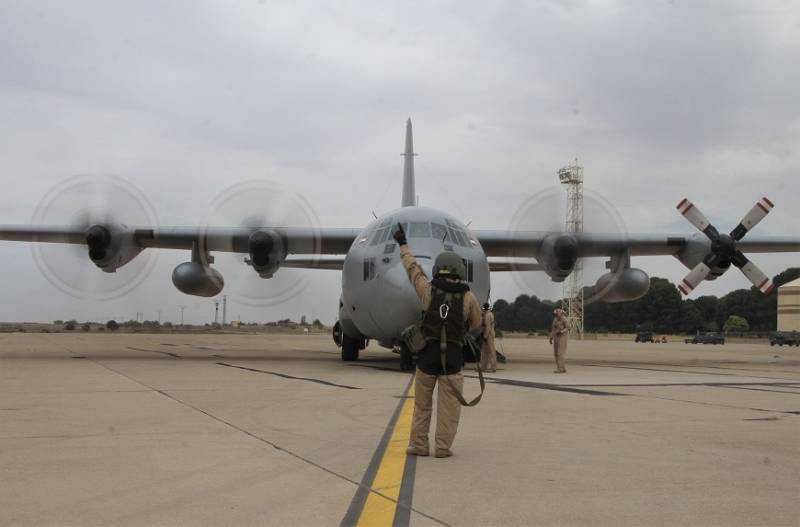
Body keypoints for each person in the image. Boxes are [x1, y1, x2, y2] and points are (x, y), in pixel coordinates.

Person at [394, 224, 481, 458]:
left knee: (422, 406)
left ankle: (418, 445)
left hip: (427, 357)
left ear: (438, 269)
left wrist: (403, 244)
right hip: (453, 359)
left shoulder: (428, 290)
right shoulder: (469, 296)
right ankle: (442, 447)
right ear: (459, 271)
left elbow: (413, 270)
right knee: (449, 409)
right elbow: (475, 324)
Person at [549, 307, 568, 373]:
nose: (558, 313)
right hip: (556, 337)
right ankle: (562, 368)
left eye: (559, 311)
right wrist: (551, 337)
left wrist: (561, 331)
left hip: (562, 337)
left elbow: (568, 328)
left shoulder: (564, 319)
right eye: (556, 311)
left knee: (560, 353)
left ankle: (560, 369)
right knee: (556, 353)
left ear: (561, 312)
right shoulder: (555, 319)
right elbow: (553, 329)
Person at [479, 303, 497, 373]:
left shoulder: (487, 315)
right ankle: (484, 367)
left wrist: (485, 336)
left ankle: (492, 367)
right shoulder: (490, 314)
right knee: (485, 351)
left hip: (488, 334)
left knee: (489, 351)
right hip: (489, 334)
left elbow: (488, 327)